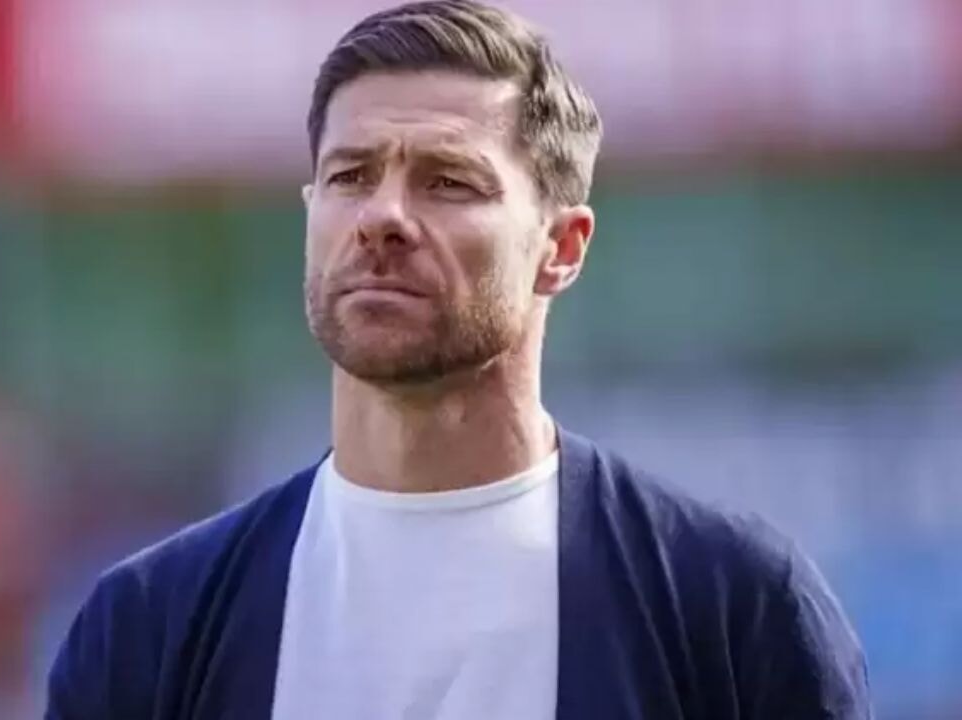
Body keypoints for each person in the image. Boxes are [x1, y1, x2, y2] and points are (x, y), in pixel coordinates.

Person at [45, 1, 871, 718]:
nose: (382, 217)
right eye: (350, 176)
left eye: (448, 182)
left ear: (561, 247)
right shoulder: (150, 625)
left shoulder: (730, 609)